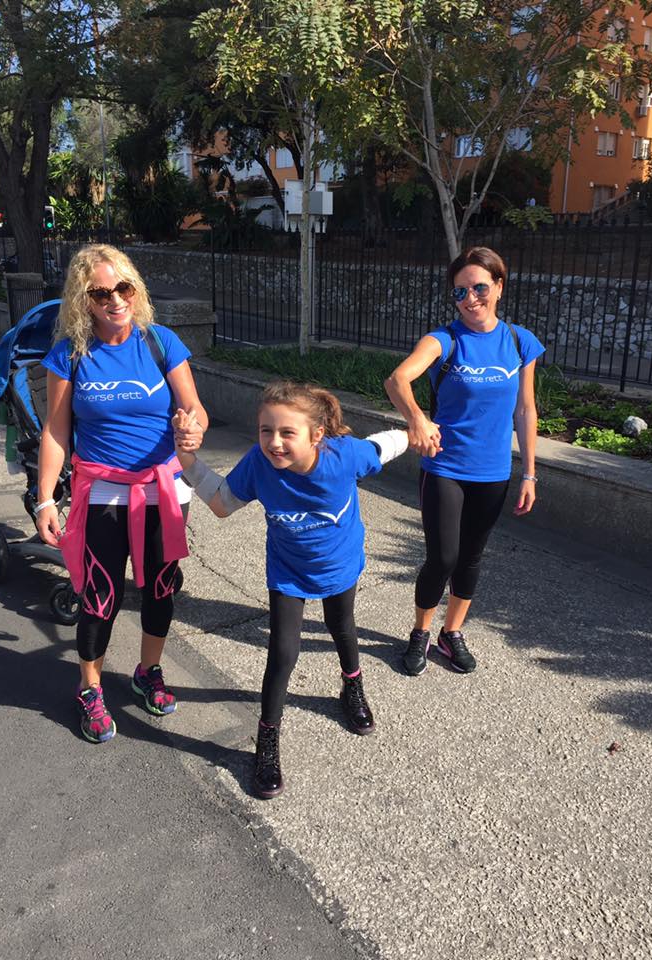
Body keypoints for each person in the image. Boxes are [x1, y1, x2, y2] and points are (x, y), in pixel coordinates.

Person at [173, 381, 408, 799]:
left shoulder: (343, 455)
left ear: (317, 435)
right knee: (283, 653)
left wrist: (417, 430)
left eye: (287, 433)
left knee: (342, 627)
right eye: (266, 430)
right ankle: (267, 740)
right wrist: (186, 458)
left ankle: (352, 685)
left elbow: (382, 446)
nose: (274, 442)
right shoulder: (259, 463)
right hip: (288, 571)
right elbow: (222, 503)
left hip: (339, 565)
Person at [36, 244, 207, 743]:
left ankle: (148, 671)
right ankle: (89, 687)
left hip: (164, 490)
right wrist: (45, 498)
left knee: (160, 588)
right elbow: (56, 431)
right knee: (100, 596)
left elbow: (195, 407)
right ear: (83, 300)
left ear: (136, 289)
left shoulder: (161, 341)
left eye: (123, 288)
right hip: (103, 495)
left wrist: (192, 428)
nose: (115, 300)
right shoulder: (70, 354)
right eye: (101, 293)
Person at [385, 246, 545, 677]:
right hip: (445, 467)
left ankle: (451, 633)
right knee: (443, 558)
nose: (470, 299)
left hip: (493, 472)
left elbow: (525, 410)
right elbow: (397, 379)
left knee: (471, 558)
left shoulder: (519, 342)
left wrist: (530, 473)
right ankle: (420, 631)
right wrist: (417, 418)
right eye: (460, 291)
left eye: (479, 288)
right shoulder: (444, 339)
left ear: (499, 287)